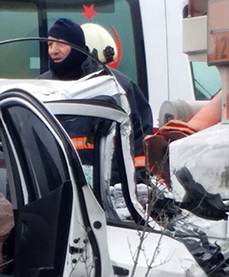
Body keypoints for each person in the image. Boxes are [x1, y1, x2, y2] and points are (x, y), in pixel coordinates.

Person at [39, 18, 153, 183]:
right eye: (49, 45)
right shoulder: (42, 87)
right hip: (59, 191)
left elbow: (140, 138)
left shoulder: (114, 85)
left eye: (60, 44)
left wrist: (136, 184)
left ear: (77, 45)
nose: (53, 50)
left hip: (111, 191)